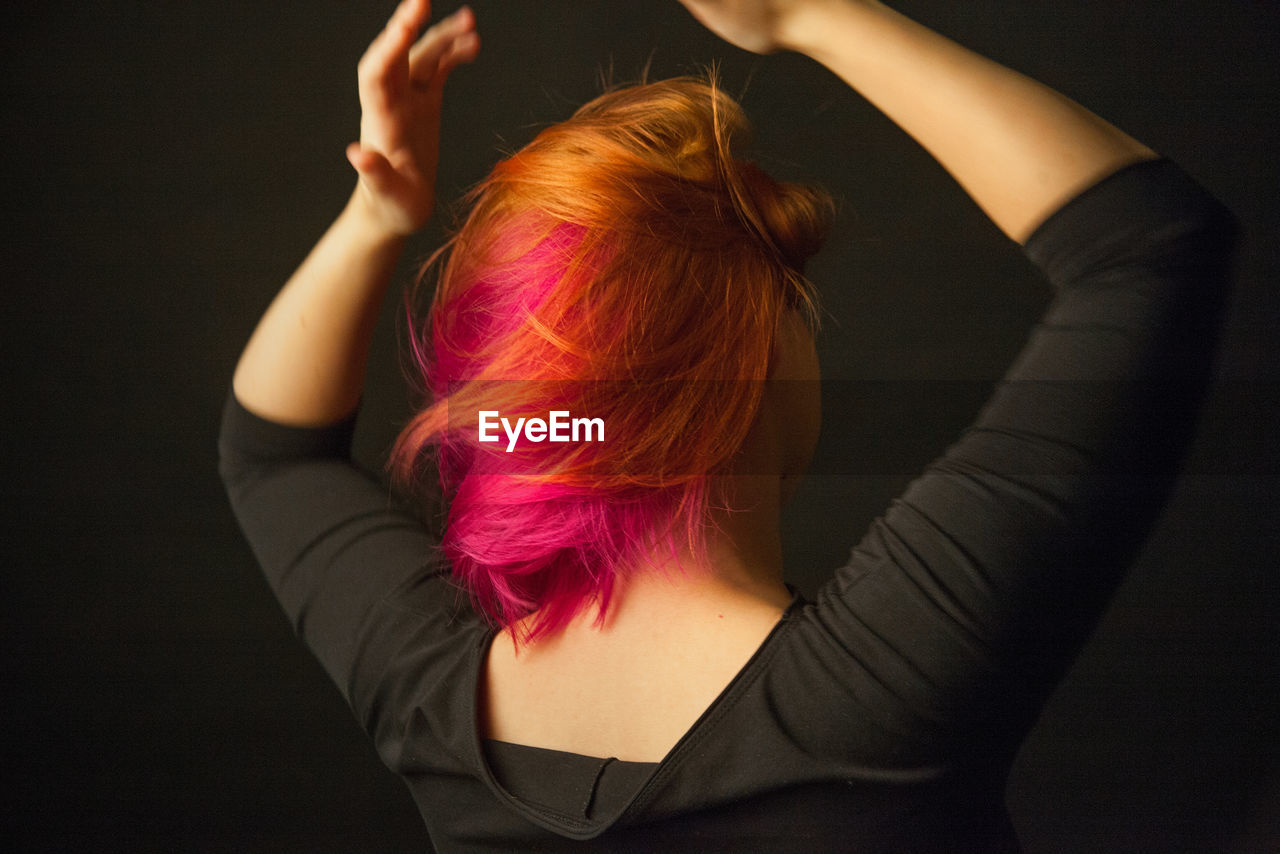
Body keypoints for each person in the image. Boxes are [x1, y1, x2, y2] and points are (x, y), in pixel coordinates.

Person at [219, 0, 1238, 848]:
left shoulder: (429, 696)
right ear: (746, 367)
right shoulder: (884, 685)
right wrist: (811, 15)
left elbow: (271, 453)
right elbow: (1145, 247)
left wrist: (373, 218)